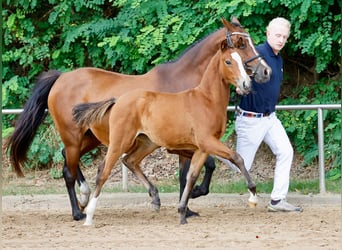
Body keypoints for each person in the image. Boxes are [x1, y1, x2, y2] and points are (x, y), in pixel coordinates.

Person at [223, 17, 302, 212]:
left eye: (284, 36)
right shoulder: (254, 54)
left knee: (286, 151)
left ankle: (277, 201)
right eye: (277, 35)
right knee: (240, 166)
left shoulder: (278, 59)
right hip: (251, 119)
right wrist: (240, 90)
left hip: (270, 118)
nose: (281, 39)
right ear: (268, 33)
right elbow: (238, 77)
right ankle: (209, 147)